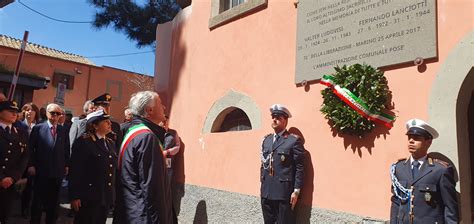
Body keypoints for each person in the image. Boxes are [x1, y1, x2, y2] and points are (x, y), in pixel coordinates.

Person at [113, 91, 171, 224]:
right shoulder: (147, 137)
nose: (164, 107)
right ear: (149, 110)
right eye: (161, 103)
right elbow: (152, 188)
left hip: (131, 211)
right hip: (142, 216)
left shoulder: (134, 132)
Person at [390, 118, 459, 224]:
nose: (411, 141)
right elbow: (396, 202)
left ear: (428, 142)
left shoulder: (440, 170)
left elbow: (450, 207)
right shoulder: (399, 168)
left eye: (416, 138)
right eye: (409, 137)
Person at [69, 109, 117, 224]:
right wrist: (74, 196)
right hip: (88, 196)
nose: (110, 124)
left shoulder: (110, 143)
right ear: (95, 125)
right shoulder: (84, 142)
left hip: (104, 195)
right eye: (106, 122)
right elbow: (76, 170)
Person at [260, 104, 305, 224]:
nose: (274, 119)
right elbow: (263, 164)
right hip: (266, 192)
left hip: (283, 193)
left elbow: (300, 167)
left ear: (285, 121)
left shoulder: (293, 141)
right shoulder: (266, 140)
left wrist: (296, 191)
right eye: (273, 116)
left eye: (278, 117)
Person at [28, 103, 70, 224]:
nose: (55, 116)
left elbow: (66, 149)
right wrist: (31, 165)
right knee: (37, 203)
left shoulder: (63, 130)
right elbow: (31, 149)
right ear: (47, 113)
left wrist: (66, 165)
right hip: (41, 172)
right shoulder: (38, 128)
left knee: (54, 205)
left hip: (57, 173)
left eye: (58, 113)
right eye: (53, 113)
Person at [0, 101, 29, 224]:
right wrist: (1, 178)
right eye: (10, 111)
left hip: (10, 183)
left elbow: (24, 158)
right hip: (1, 179)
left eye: (16, 112)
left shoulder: (21, 133)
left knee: (4, 215)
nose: (14, 114)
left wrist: (13, 177)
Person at [20, 103, 40, 217]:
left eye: (32, 110)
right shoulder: (19, 125)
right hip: (19, 160)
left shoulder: (38, 126)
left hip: (32, 161)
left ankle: (25, 209)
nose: (29, 112)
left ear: (36, 113)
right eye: (27, 110)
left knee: (29, 186)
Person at [160, 115, 181, 224]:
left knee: (167, 187)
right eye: (162, 122)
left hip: (169, 165)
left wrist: (168, 152)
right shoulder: (155, 132)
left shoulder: (173, 133)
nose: (164, 124)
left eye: (166, 122)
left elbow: (178, 146)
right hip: (157, 164)